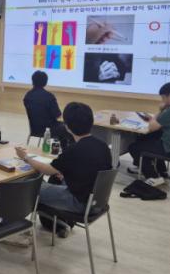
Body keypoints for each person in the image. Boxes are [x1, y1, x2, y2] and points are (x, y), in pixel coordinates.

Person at [16, 102, 112, 237]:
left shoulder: (74, 150)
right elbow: (90, 171)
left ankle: (14, 229)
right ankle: (58, 224)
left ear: (67, 127)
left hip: (80, 203)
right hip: (98, 202)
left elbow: (47, 169)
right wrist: (66, 174)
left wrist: (25, 157)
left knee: (27, 188)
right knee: (55, 178)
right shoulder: (103, 146)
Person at [22, 71, 72, 147]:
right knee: (68, 128)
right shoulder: (49, 96)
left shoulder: (27, 96)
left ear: (32, 81)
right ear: (45, 82)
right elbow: (58, 115)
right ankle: (66, 151)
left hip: (34, 129)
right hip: (50, 129)